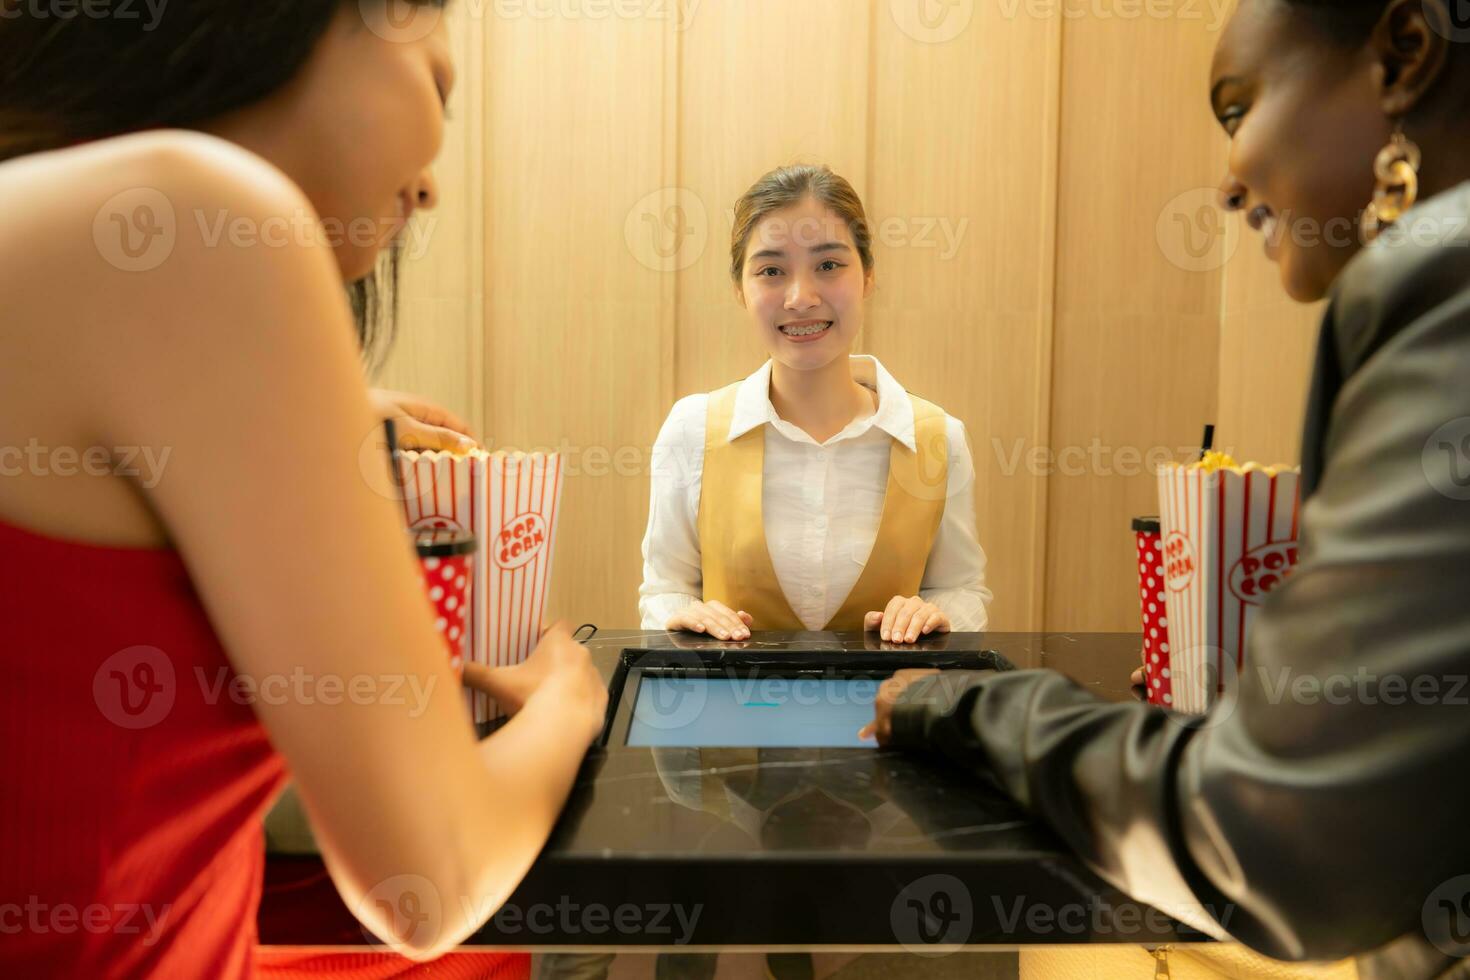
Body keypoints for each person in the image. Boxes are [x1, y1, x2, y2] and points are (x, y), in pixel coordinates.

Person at [0, 2, 607, 976]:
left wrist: (335, 418)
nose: (432, 187)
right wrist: (572, 698)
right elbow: (431, 877)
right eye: (438, 85)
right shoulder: (201, 217)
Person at [866, 0, 1470, 975]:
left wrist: (990, 709)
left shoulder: (1434, 284)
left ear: (1403, 56)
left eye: (1239, 109)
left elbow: (1278, 844)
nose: (1229, 182)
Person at [639, 165, 992, 645]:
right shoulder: (691, 430)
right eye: (770, 270)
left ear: (868, 275)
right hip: (732, 716)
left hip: (887, 715)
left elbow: (961, 589)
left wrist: (935, 613)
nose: (801, 298)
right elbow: (665, 590)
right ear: (740, 289)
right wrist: (682, 618)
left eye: (828, 265)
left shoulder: (937, 438)